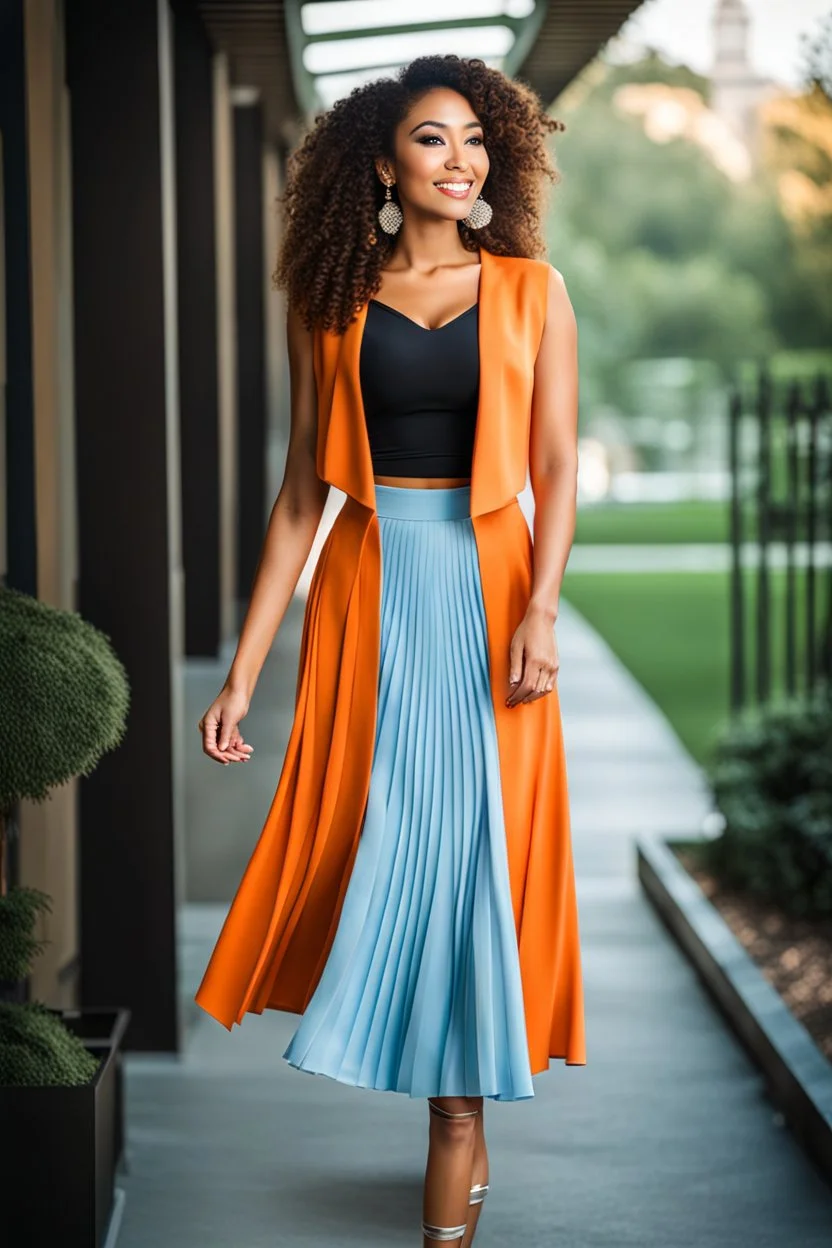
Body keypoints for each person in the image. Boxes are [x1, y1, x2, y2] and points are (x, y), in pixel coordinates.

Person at [196, 53, 585, 1247]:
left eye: (474, 139)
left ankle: (457, 1111)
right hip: (370, 597)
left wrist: (540, 608)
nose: (460, 159)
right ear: (382, 164)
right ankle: (449, 1101)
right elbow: (297, 501)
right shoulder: (334, 304)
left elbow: (560, 467)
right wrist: (245, 667)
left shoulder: (532, 290)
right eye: (432, 139)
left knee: (481, 846)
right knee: (389, 837)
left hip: (493, 592)